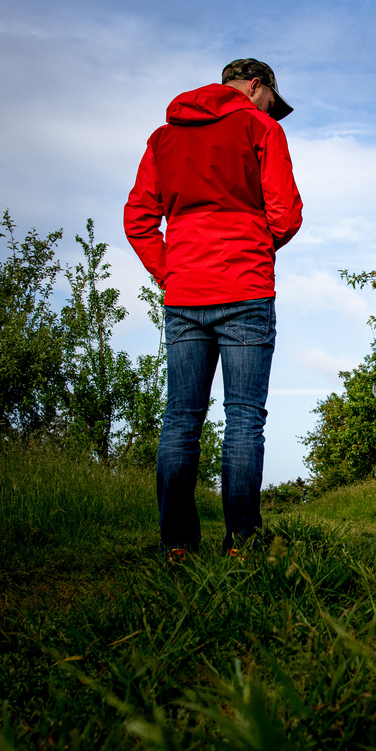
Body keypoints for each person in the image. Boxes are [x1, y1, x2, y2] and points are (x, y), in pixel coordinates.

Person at [124, 59, 303, 558]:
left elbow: (138, 218)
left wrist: (168, 271)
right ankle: (242, 545)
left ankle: (177, 544)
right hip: (244, 287)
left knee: (181, 418)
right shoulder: (259, 127)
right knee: (244, 418)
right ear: (256, 86)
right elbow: (286, 212)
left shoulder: (163, 138)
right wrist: (250, 248)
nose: (274, 111)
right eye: (272, 100)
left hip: (184, 294)